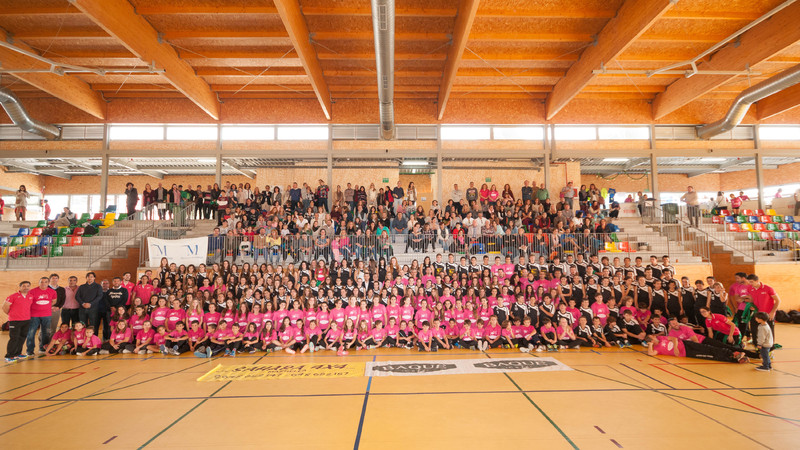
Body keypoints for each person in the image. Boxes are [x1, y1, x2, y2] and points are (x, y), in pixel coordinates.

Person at [646, 335, 749, 363]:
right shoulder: (657, 348)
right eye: (652, 338)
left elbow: (673, 338)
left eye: (653, 336)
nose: (655, 337)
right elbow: (651, 354)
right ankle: (734, 359)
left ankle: (733, 353)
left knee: (708, 348)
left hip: (686, 344)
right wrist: (650, 345)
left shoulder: (661, 338)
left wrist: (676, 347)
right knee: (709, 356)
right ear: (651, 341)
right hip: (687, 353)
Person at [742, 274, 781, 348]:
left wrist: (772, 312)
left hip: (767, 314)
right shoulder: (750, 288)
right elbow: (752, 299)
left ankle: (769, 349)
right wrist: (752, 305)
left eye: (751, 282)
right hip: (756, 314)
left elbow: (778, 300)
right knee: (754, 331)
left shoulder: (768, 289)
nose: (750, 284)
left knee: (769, 332)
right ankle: (757, 347)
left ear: (757, 281)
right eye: (749, 282)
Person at [26, 277, 57, 356]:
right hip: (34, 315)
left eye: (45, 282)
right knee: (31, 332)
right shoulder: (32, 291)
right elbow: (28, 302)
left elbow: (54, 301)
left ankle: (42, 348)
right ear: (39, 282)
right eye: (42, 282)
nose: (43, 283)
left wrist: (45, 306)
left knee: (46, 332)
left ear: (48, 283)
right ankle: (30, 350)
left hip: (47, 315)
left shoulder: (52, 291)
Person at [4, 281, 33, 362]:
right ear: (20, 287)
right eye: (24, 286)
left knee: (22, 337)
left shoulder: (30, 296)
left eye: (27, 286)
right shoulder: (13, 296)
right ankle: (9, 356)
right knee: (14, 338)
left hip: (26, 320)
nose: (26, 287)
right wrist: (12, 315)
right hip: (15, 321)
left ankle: (17, 353)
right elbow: (4, 307)